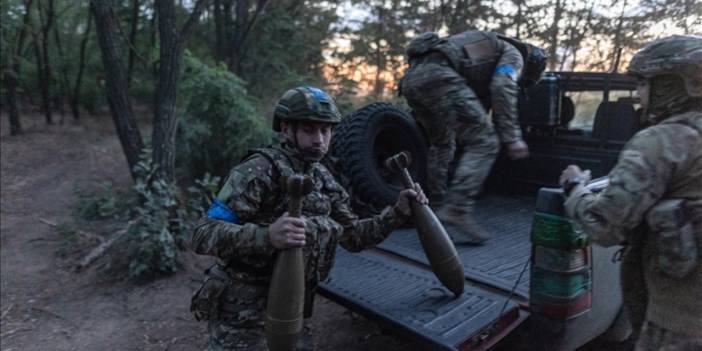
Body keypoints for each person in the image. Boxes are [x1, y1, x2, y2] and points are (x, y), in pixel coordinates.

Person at [190, 86, 428, 351]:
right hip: (241, 313)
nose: (319, 140)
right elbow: (202, 232)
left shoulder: (324, 180)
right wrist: (266, 236)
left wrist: (397, 212)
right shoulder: (258, 171)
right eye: (309, 130)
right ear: (285, 129)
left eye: (325, 130)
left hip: (290, 309)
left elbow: (354, 237)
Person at [559, 35, 702, 351]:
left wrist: (574, 188)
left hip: (678, 325)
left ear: (672, 83)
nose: (638, 94)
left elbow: (604, 225)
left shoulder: (662, 141)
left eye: (643, 84)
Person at [399, 30, 547, 244]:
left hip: (411, 81)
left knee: (442, 145)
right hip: (440, 76)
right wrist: (512, 136)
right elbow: (503, 85)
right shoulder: (514, 54)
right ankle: (457, 209)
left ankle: (437, 208)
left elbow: (475, 101)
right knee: (486, 142)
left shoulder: (485, 47)